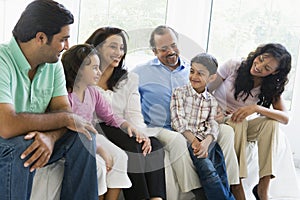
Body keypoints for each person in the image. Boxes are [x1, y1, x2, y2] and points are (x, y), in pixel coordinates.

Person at [0, 0, 98, 200]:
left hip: (36, 136)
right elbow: (6, 125)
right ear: (41, 38)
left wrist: (51, 137)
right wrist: (64, 120)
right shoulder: (3, 60)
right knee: (22, 148)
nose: (67, 46)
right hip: (6, 140)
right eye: (63, 39)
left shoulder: (53, 64)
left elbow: (65, 112)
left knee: (84, 135)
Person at [133, 25, 240, 199]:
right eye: (164, 49)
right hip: (161, 127)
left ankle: (230, 185)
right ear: (154, 51)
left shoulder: (193, 69)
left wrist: (218, 115)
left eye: (173, 45)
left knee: (227, 131)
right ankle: (198, 192)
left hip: (193, 125)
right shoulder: (140, 72)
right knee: (177, 140)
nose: (171, 51)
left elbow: (205, 99)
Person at [85, 27, 166, 200]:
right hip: (97, 128)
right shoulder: (86, 75)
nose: (119, 52)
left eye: (122, 48)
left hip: (122, 127)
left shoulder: (129, 79)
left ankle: (157, 198)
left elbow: (134, 115)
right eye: (113, 47)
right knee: (132, 146)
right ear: (98, 48)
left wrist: (142, 136)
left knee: (155, 145)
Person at [207, 43, 292, 200]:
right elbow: (205, 90)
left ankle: (262, 189)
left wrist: (256, 108)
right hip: (218, 120)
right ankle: (236, 184)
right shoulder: (234, 66)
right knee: (239, 121)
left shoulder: (269, 85)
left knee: (271, 122)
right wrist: (215, 109)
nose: (259, 67)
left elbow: (285, 118)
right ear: (258, 54)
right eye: (260, 59)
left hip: (241, 123)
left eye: (267, 68)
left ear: (275, 73)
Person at [61, 43, 132, 200]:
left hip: (90, 135)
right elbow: (69, 130)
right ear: (78, 69)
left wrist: (127, 125)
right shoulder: (66, 94)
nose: (100, 73)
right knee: (99, 166)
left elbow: (110, 116)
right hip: (76, 139)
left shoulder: (93, 92)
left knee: (121, 157)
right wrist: (100, 150)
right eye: (94, 68)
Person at [170, 53, 235, 199]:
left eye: (200, 73)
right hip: (189, 140)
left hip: (206, 142)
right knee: (208, 170)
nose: (194, 76)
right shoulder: (179, 93)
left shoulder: (211, 100)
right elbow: (177, 121)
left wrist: (206, 142)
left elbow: (213, 124)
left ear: (211, 78)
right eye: (192, 71)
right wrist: (196, 142)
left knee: (220, 171)